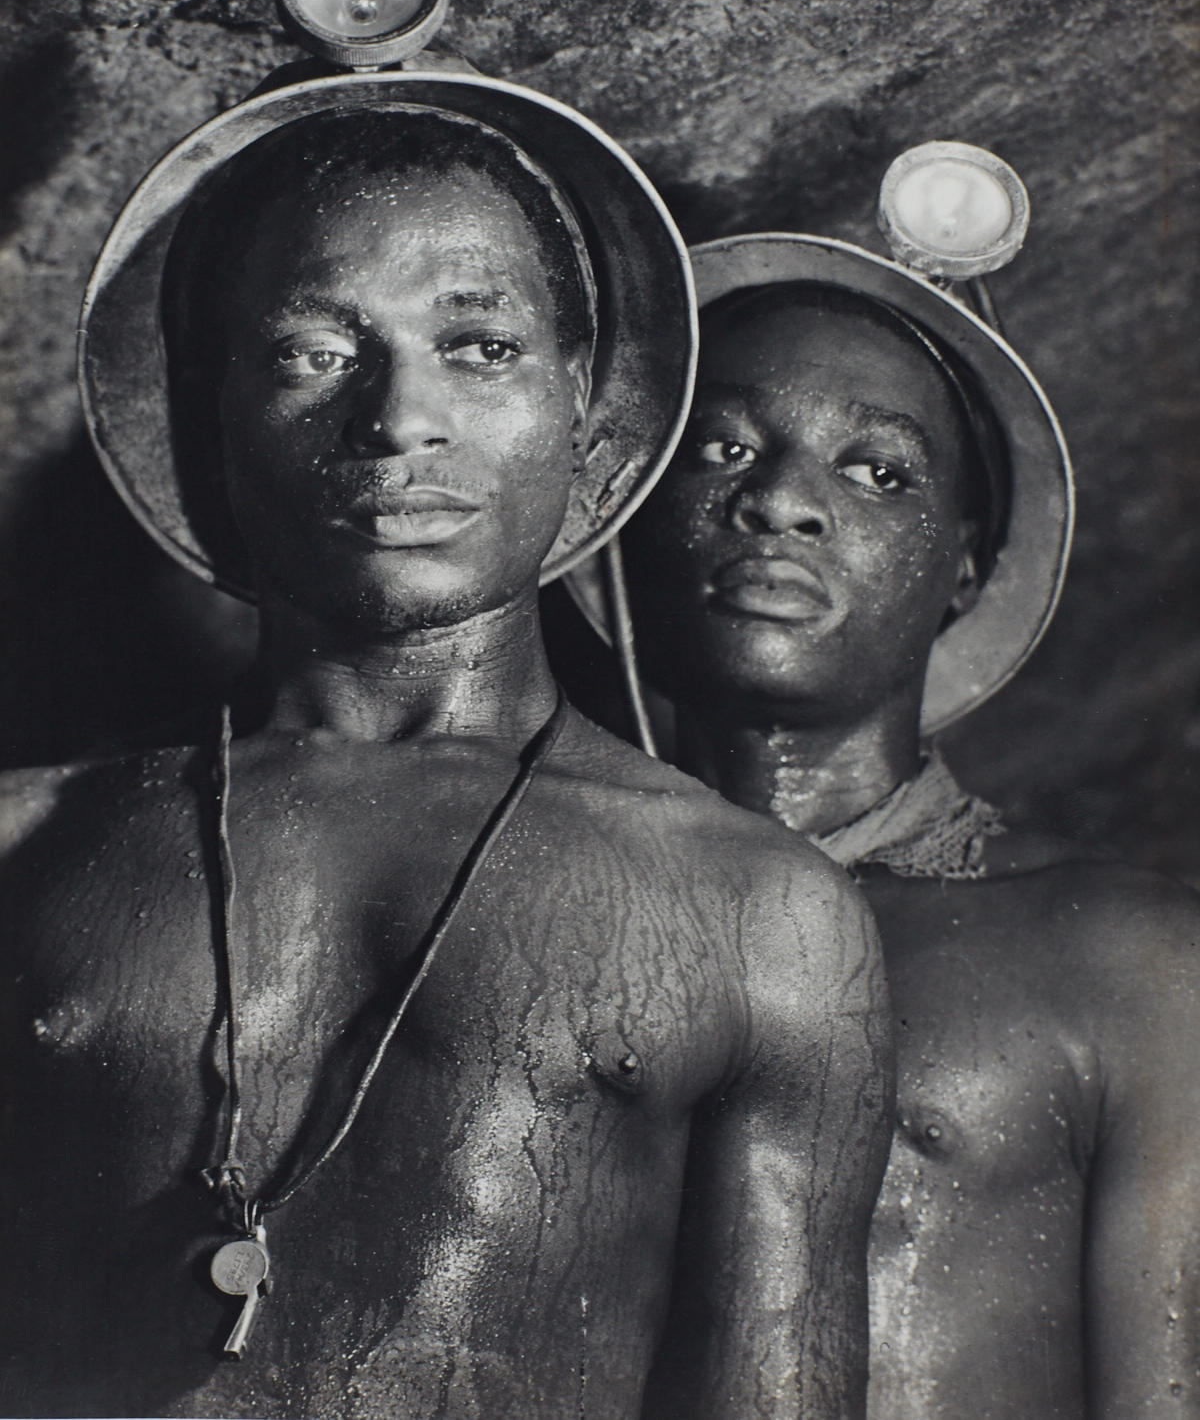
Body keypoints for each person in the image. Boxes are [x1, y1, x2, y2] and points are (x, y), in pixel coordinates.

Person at [0, 88, 892, 1420]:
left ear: (590, 416)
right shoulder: (27, 843)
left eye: (479, 346)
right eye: (311, 349)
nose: (398, 414)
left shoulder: (762, 915)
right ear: (210, 414)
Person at [606, 233, 1200, 1419]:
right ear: (619, 516)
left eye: (879, 472)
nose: (780, 500)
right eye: (723, 448)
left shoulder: (1128, 962)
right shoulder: (527, 908)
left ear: (965, 571)